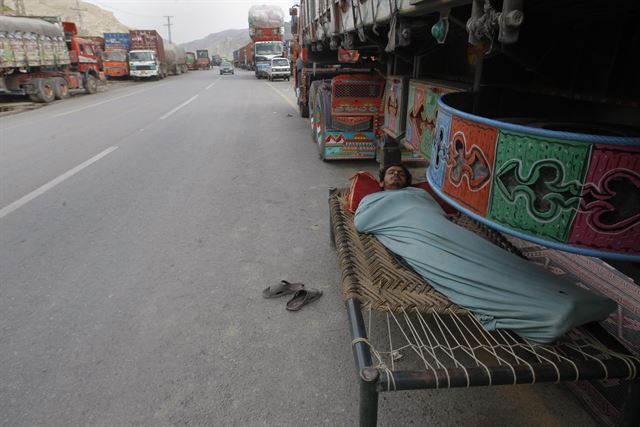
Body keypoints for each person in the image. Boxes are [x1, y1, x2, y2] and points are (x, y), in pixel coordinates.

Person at [354, 164, 615, 343]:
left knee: (497, 259)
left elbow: (440, 214)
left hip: (446, 231)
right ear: (381, 181)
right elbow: (362, 222)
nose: (396, 174)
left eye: (401, 172)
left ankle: (571, 297)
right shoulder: (374, 200)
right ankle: (547, 313)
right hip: (417, 237)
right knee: (464, 271)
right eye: (391, 173)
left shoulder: (419, 194)